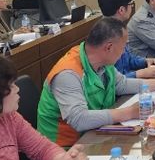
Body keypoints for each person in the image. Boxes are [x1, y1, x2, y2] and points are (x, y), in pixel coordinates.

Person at [37, 17, 143, 147]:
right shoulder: (67, 74)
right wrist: (130, 112)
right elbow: (79, 119)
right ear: (109, 47)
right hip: (65, 148)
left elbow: (121, 84)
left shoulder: (101, 59)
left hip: (94, 134)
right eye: (123, 47)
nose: (123, 53)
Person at [96, 0, 155, 86]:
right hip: (119, 90)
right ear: (121, 10)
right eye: (131, 4)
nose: (132, 6)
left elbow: (128, 59)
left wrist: (146, 61)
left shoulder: (117, 28)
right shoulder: (106, 35)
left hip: (128, 79)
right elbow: (111, 81)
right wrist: (138, 74)